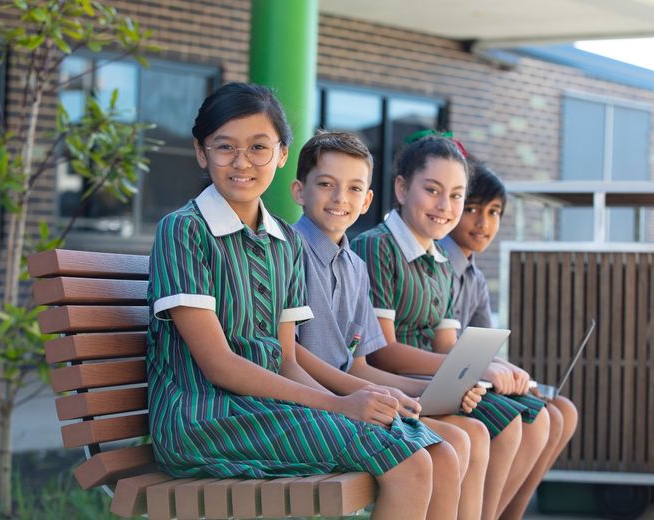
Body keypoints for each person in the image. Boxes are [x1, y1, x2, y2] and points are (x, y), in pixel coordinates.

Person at [146, 82, 448, 520]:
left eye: (258, 147)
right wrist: (340, 405)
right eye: (224, 146)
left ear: (283, 154)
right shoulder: (184, 230)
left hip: (266, 409)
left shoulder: (284, 241)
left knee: (429, 449)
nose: (242, 162)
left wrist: (363, 397)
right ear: (201, 152)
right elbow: (218, 364)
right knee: (411, 462)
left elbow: (286, 358)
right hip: (204, 418)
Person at [351, 134, 550, 520]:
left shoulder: (440, 257)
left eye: (457, 195)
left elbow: (446, 345)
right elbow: (382, 351)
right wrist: (474, 368)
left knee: (529, 415)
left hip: (435, 387)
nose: (445, 206)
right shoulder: (377, 248)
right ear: (402, 188)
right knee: (496, 428)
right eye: (433, 190)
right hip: (393, 385)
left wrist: (482, 368)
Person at [290, 130, 487, 520]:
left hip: (351, 395)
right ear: (299, 191)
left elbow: (360, 365)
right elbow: (289, 356)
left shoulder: (354, 266)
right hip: (310, 404)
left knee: (453, 447)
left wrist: (430, 389)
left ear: (366, 200)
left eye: (353, 189)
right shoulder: (287, 252)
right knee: (431, 457)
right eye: (326, 184)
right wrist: (372, 396)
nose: (339, 199)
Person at [439, 158, 579, 520]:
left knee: (562, 411)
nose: (483, 223)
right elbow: (449, 348)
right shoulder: (436, 264)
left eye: (494, 212)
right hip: (440, 379)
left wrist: (513, 375)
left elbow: (484, 345)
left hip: (469, 376)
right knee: (533, 421)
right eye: (471, 209)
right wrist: (491, 369)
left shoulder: (476, 278)